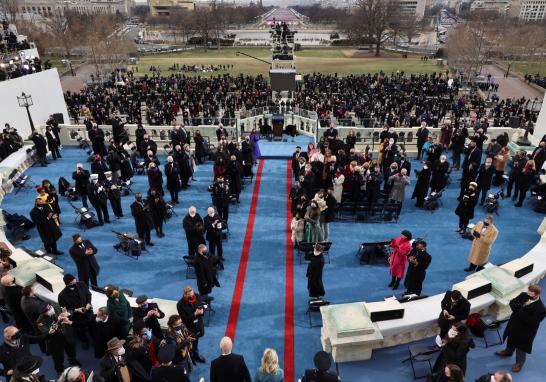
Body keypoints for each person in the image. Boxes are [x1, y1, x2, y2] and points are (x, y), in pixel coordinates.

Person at [496, 284, 546, 372]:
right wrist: (517, 308)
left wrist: (519, 311)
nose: (528, 295)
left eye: (531, 294)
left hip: (526, 331)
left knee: (521, 348)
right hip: (514, 324)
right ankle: (509, 351)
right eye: (528, 292)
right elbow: (512, 302)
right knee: (511, 338)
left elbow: (533, 322)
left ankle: (519, 363)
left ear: (537, 294)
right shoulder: (524, 295)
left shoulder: (541, 308)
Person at [36, 303, 80, 374]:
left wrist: (68, 313)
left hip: (67, 335)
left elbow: (67, 311)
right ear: (43, 313)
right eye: (47, 310)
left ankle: (73, 362)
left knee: (71, 350)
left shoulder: (56, 306)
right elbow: (49, 332)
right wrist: (58, 321)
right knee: (58, 358)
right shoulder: (40, 321)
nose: (50, 309)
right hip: (55, 340)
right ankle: (59, 370)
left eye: (50, 307)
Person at [57, 274, 93, 349]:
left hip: (88, 311)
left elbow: (88, 294)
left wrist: (88, 303)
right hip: (77, 316)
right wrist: (75, 310)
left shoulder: (82, 284)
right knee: (80, 330)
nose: (76, 282)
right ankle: (84, 341)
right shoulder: (62, 296)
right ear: (68, 283)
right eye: (73, 281)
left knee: (92, 325)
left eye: (75, 280)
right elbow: (64, 309)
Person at [176, 286, 206, 363]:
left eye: (192, 294)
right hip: (189, 327)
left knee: (196, 341)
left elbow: (202, 306)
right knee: (189, 343)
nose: (192, 297)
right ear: (185, 295)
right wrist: (195, 314)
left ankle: (195, 355)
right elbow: (184, 320)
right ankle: (191, 357)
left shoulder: (197, 296)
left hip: (198, 325)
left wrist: (203, 311)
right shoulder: (180, 304)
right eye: (190, 296)